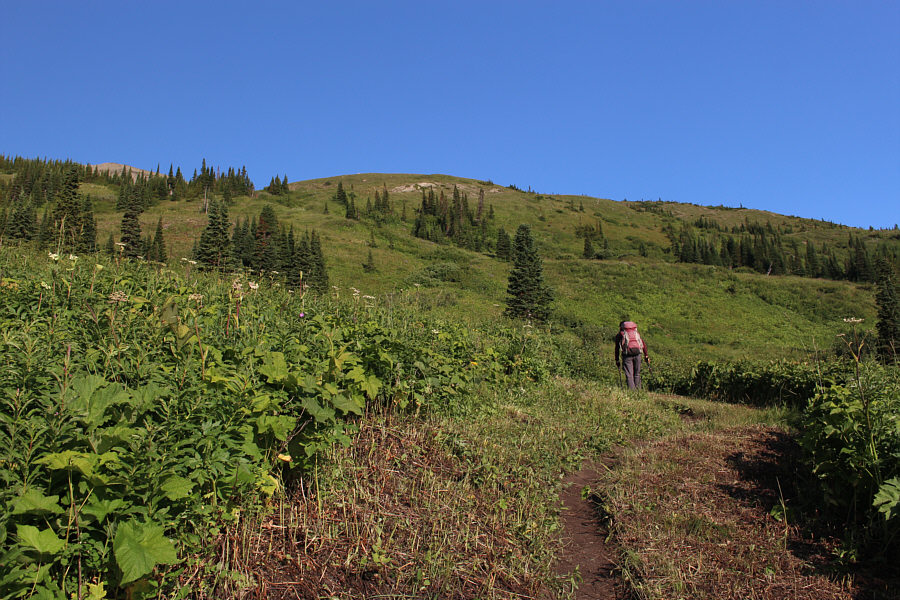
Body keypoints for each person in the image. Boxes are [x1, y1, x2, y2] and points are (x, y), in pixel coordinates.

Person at [615, 320, 650, 389]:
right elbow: (643, 344)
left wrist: (617, 359)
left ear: (621, 327)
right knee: (637, 373)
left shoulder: (620, 334)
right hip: (638, 354)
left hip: (627, 355)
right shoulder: (635, 333)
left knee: (629, 374)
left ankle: (632, 392)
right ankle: (639, 391)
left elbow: (617, 348)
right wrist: (646, 355)